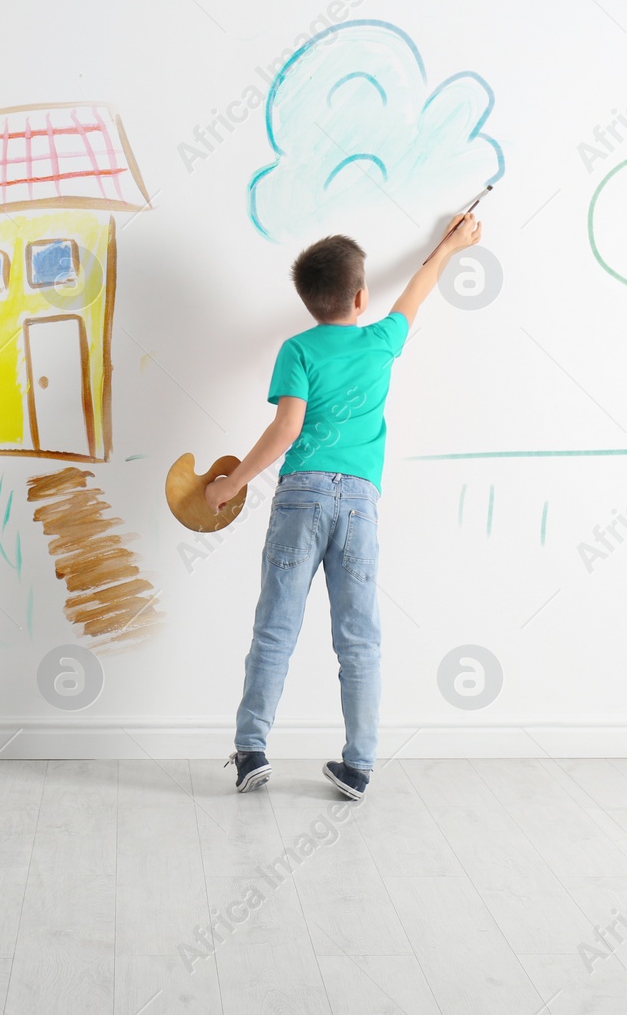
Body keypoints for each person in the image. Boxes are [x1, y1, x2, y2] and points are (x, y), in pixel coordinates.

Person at [205, 212, 484, 799]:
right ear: (361, 296)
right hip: (359, 504)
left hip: (301, 495)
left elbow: (287, 428)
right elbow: (420, 285)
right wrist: (452, 244)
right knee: (358, 638)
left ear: (308, 301)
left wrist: (234, 483)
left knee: (275, 630)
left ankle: (251, 751)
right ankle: (358, 764)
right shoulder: (382, 339)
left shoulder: (297, 349)